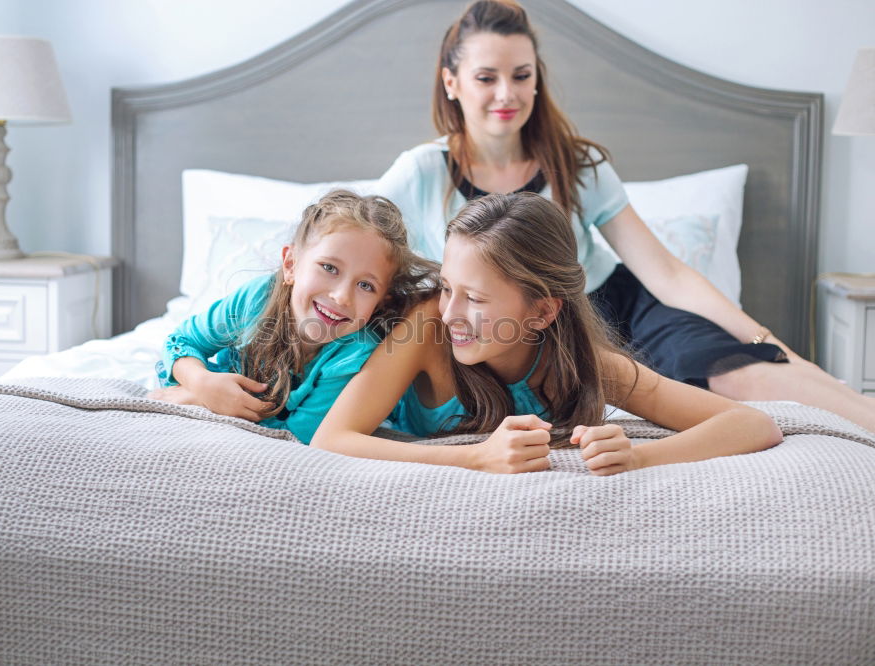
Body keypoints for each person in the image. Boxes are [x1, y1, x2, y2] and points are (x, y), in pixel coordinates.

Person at [373, 0, 875, 432]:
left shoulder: (577, 164)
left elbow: (669, 273)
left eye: (522, 76)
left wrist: (767, 340)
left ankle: (858, 410)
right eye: (487, 77)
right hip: (510, 328)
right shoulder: (420, 173)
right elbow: (348, 250)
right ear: (452, 82)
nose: (507, 93)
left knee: (744, 373)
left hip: (614, 307)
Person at [312, 192, 783, 474]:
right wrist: (479, 458)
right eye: (448, 288)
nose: (450, 312)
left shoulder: (581, 367)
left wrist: (641, 459)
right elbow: (332, 438)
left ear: (541, 312)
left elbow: (752, 423)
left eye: (475, 299)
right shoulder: (426, 327)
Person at [149, 189, 437, 444]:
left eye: (365, 285)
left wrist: (203, 401)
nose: (341, 296)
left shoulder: (355, 353)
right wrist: (202, 382)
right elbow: (182, 340)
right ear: (291, 264)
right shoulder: (256, 299)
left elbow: (298, 437)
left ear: (379, 301)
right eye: (329, 268)